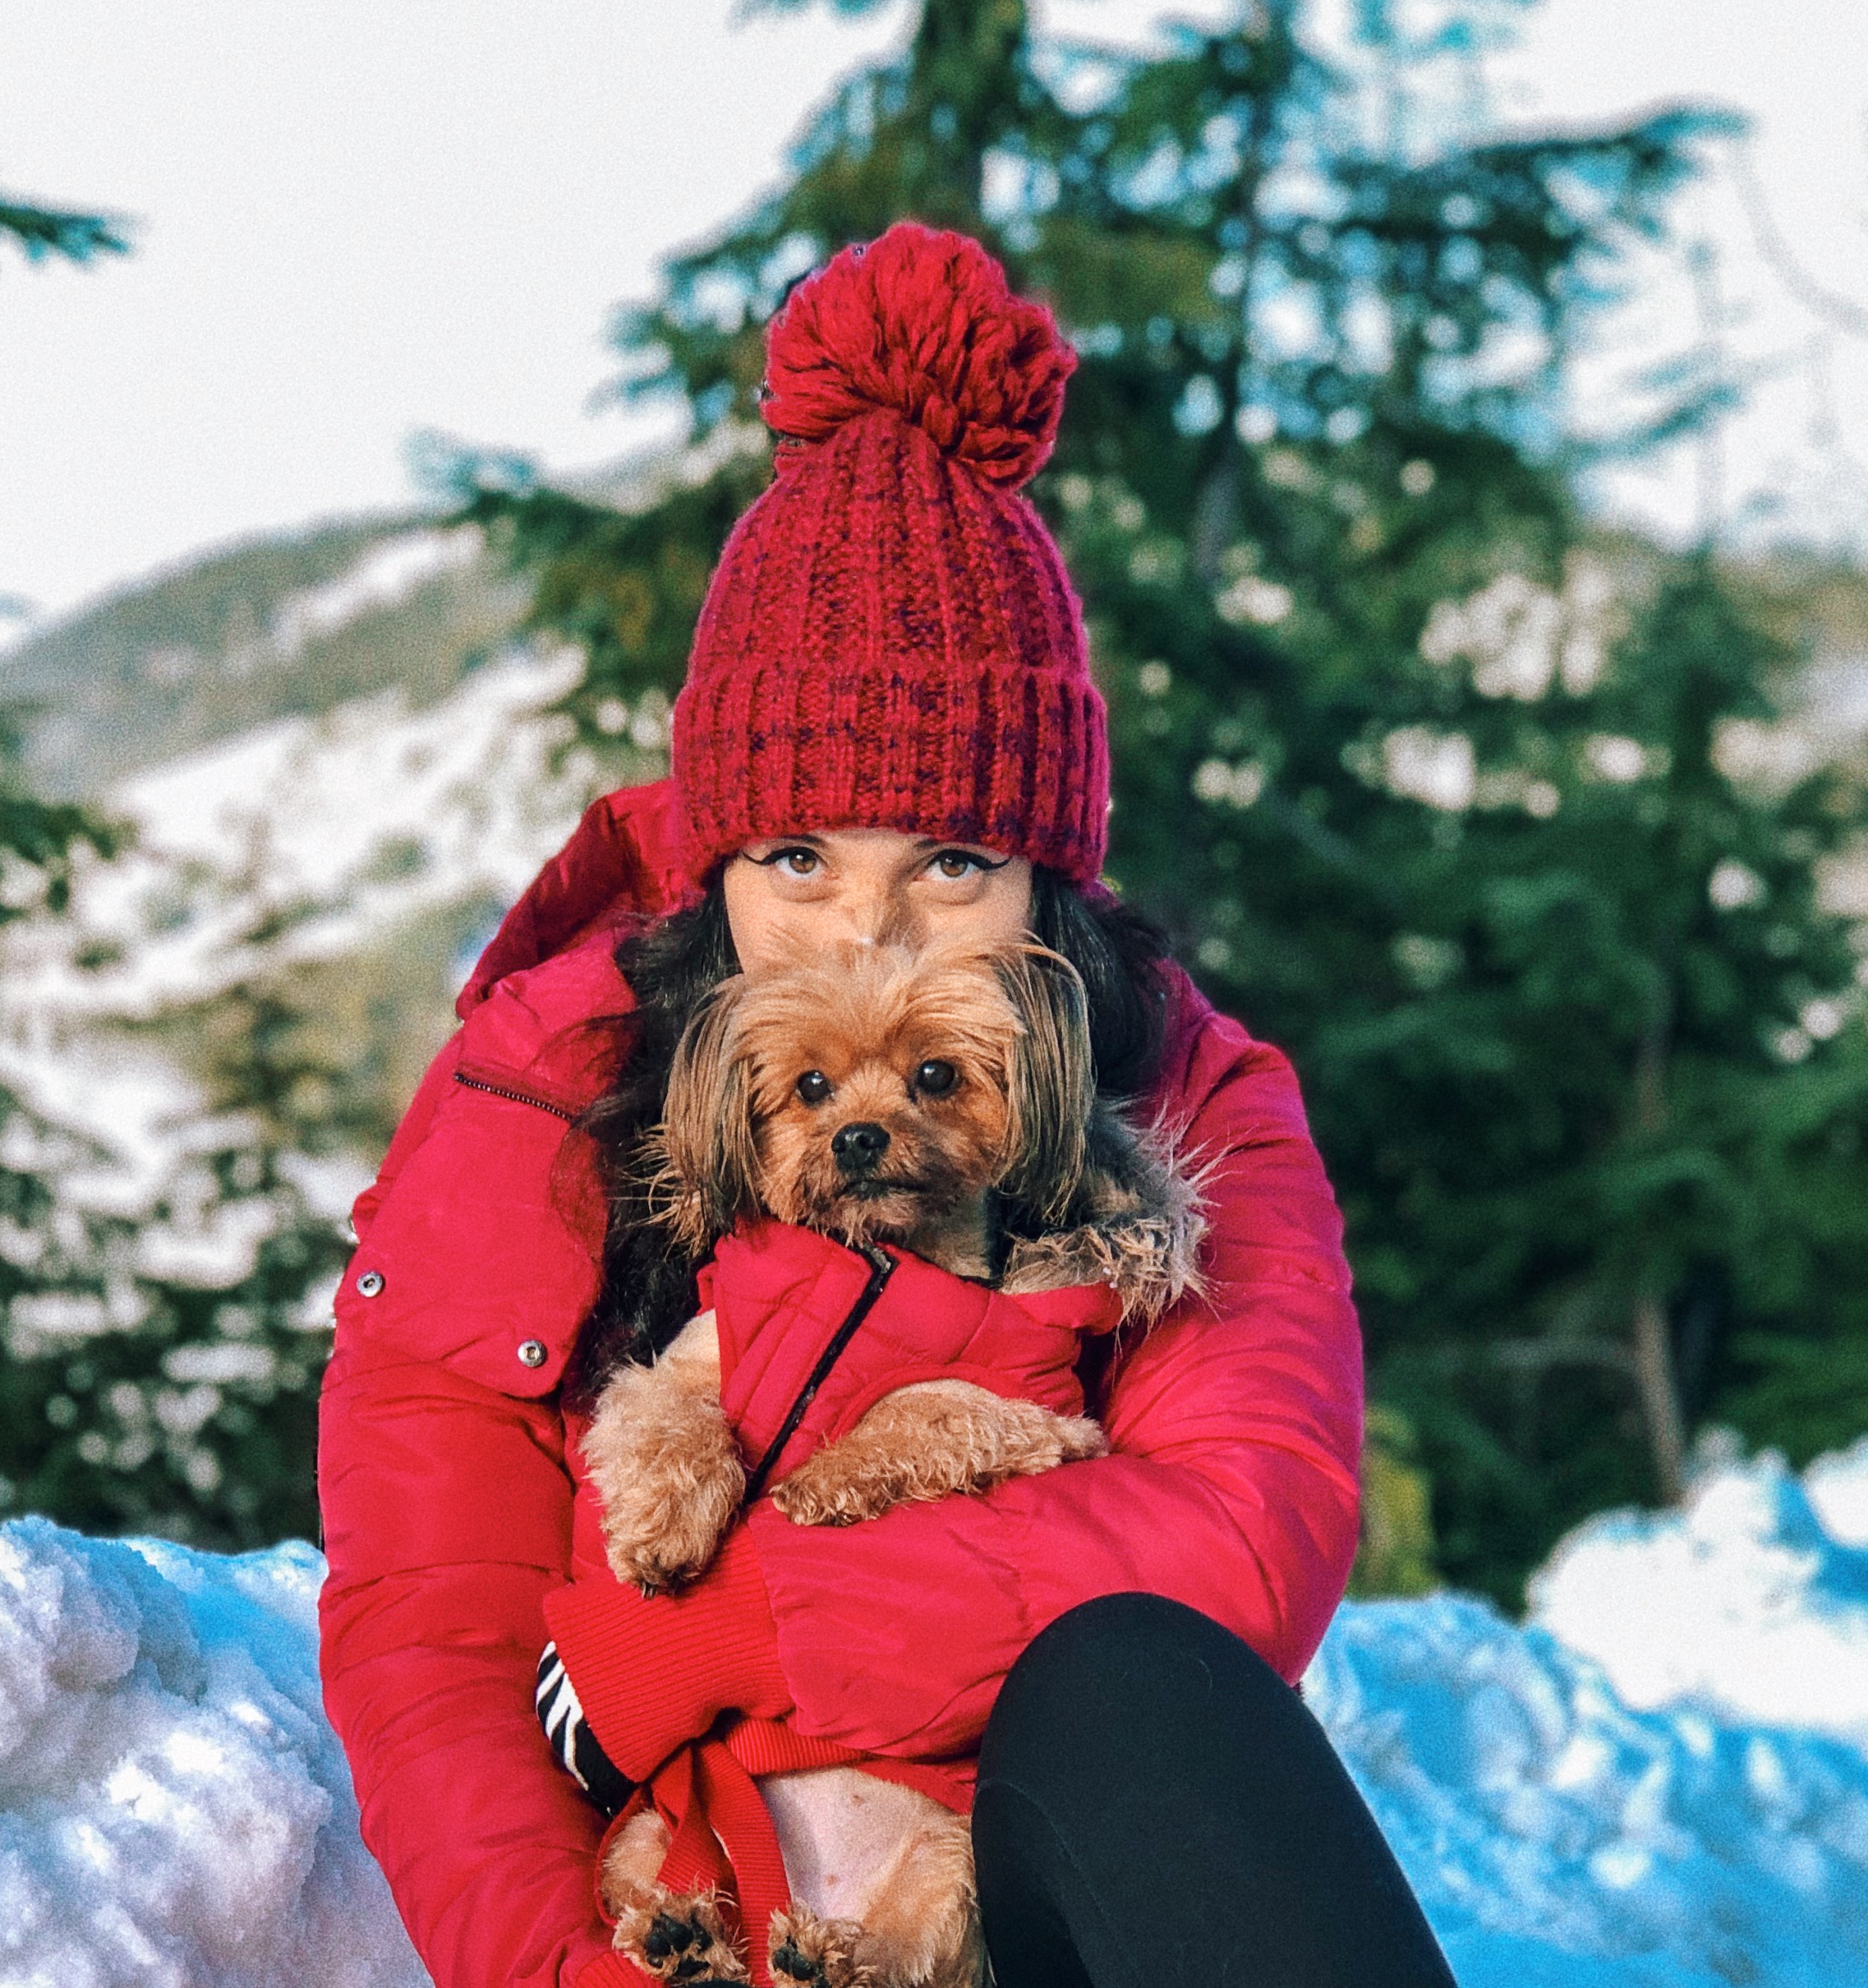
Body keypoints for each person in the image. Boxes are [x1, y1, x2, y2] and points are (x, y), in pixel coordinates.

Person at [316, 220, 1457, 1988]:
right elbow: (435, 1641)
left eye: (952, 855)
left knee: (1138, 1675)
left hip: (1007, 1902)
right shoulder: (537, 1102)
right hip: (690, 1908)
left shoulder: (1190, 1098)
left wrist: (746, 1624)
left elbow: (1241, 1534)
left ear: (1050, 873)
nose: (868, 925)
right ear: (714, 868)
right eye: (794, 855)